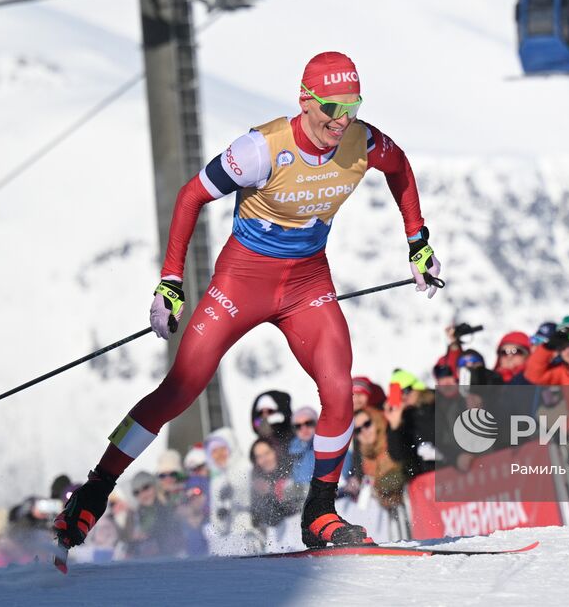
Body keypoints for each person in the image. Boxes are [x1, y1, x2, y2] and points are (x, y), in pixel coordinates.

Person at [55, 52, 441, 551]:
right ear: (305, 100)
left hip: (307, 283)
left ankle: (320, 514)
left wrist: (418, 240)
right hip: (243, 281)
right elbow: (191, 195)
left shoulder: (360, 140)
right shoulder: (262, 149)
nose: (339, 120)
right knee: (179, 390)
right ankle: (94, 491)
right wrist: (170, 282)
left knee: (339, 393)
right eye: (329, 107)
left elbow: (400, 167)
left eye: (351, 106)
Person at [353, 408, 407, 510]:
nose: (364, 431)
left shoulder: (393, 439)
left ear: (376, 421)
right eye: (358, 430)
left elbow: (405, 470)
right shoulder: (362, 458)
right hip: (388, 515)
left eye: (367, 424)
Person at [125, 471, 183, 559]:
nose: (143, 494)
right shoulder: (134, 516)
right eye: (137, 492)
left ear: (154, 486)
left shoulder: (170, 507)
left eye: (146, 487)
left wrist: (148, 535)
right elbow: (128, 549)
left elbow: (176, 537)